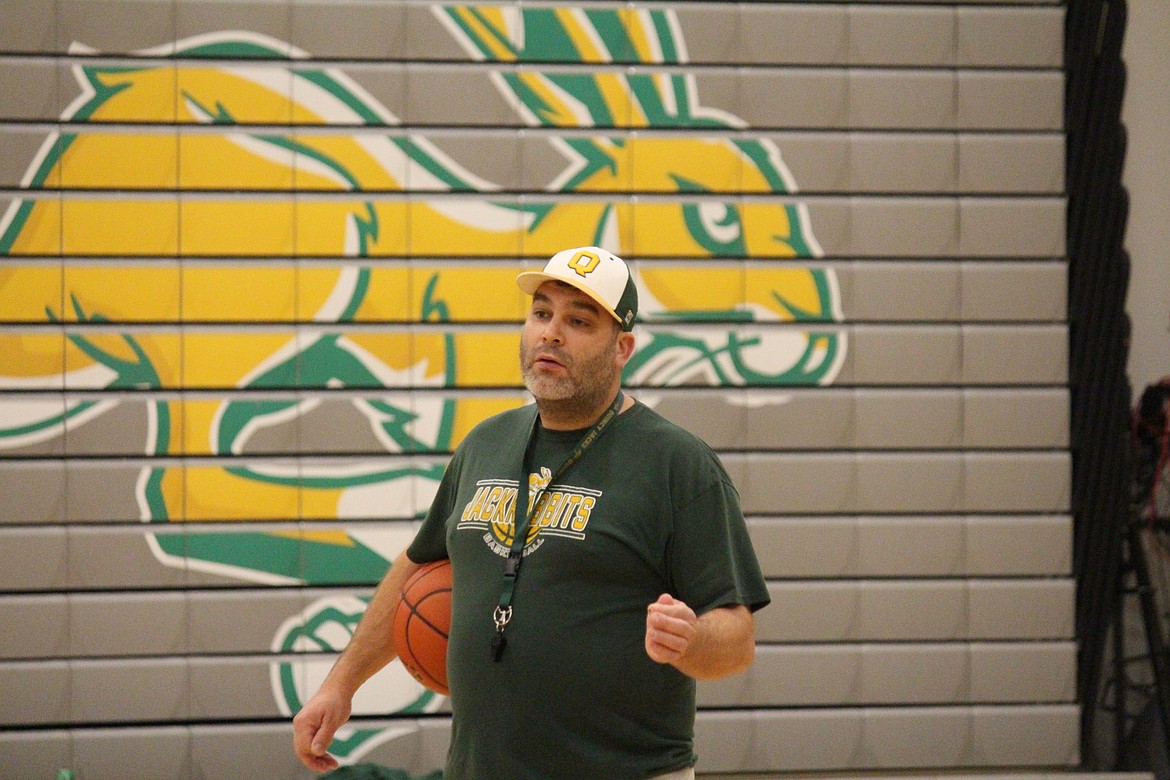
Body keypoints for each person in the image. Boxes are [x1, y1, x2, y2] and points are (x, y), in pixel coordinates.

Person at [293, 246, 771, 779]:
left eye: (579, 321)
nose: (551, 332)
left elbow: (738, 637)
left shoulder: (676, 463)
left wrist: (691, 640)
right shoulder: (483, 444)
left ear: (623, 349)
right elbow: (416, 567)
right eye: (541, 313)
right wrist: (341, 684)